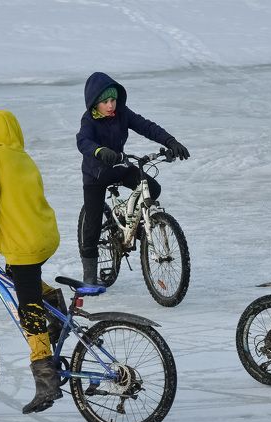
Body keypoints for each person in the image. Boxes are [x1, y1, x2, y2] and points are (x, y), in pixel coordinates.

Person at [0, 110, 62, 414]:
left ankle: (46, 380)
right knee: (16, 274)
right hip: (44, 236)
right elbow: (18, 202)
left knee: (27, 308)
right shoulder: (23, 157)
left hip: (24, 245)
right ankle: (54, 301)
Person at [76, 71, 190, 285]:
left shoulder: (122, 113)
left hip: (119, 166)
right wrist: (99, 151)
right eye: (105, 102)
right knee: (91, 226)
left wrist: (170, 141)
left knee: (152, 188)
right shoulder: (89, 121)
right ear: (95, 103)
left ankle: (136, 224)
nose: (111, 105)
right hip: (95, 174)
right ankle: (89, 277)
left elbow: (146, 126)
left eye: (113, 100)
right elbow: (83, 141)